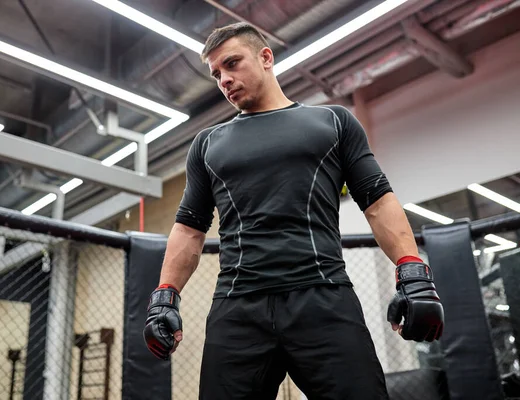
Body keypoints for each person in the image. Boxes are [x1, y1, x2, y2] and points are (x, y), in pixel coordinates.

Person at [143, 22, 444, 400]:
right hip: (238, 306)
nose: (225, 79)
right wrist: (165, 296)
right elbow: (189, 228)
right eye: (217, 73)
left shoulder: (333, 122)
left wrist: (412, 272)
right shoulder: (207, 144)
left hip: (323, 298)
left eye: (233, 63)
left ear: (265, 57)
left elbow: (377, 200)